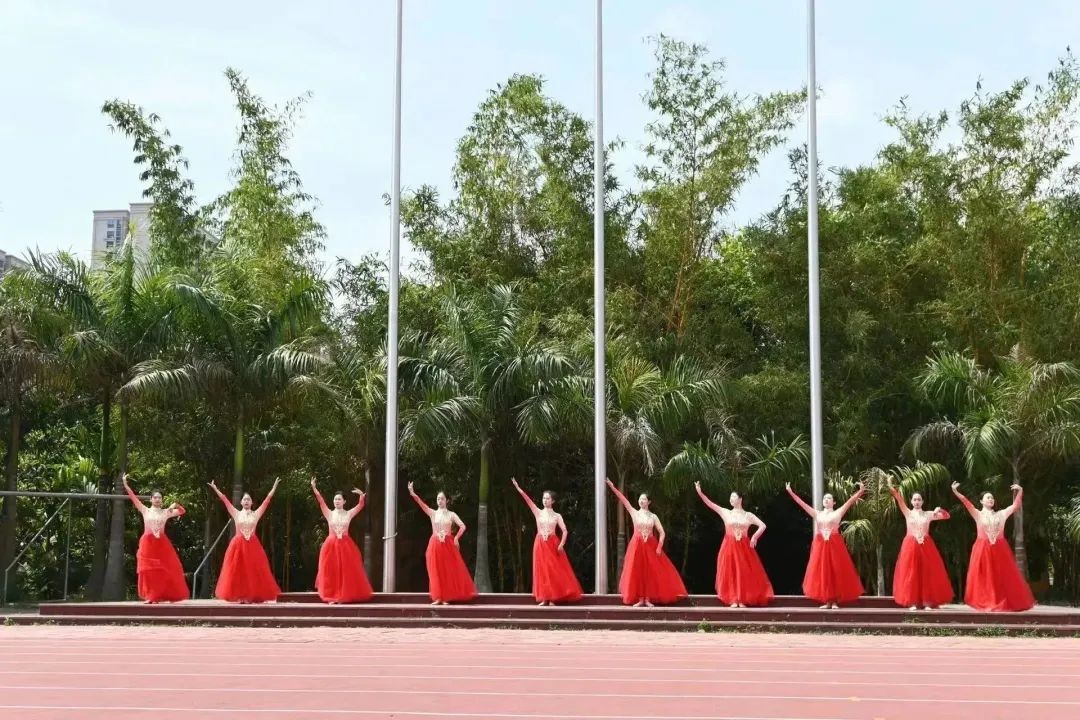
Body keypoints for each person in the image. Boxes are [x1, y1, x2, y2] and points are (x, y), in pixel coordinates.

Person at [951, 482, 1035, 612]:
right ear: (981, 501)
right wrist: (956, 492)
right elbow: (966, 503)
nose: (991, 499)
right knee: (986, 577)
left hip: (1000, 549)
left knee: (1001, 576)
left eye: (992, 497)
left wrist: (1020, 491)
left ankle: (1000, 601)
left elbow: (1015, 506)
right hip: (982, 548)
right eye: (988, 497)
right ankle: (987, 602)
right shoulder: (977, 514)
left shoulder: (1001, 514)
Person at [606, 478, 688, 607]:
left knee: (650, 572)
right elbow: (623, 500)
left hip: (651, 546)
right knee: (637, 571)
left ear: (649, 502)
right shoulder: (634, 512)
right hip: (637, 545)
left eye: (644, 499)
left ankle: (648, 598)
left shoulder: (653, 516)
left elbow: (662, 533)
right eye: (640, 499)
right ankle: (640, 599)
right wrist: (612, 487)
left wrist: (659, 547)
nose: (641, 501)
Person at [785, 482, 866, 609]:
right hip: (821, 545)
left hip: (835, 545)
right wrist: (790, 492)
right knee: (823, 572)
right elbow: (802, 504)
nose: (826, 500)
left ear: (834, 502)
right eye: (824, 498)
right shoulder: (817, 513)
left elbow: (850, 501)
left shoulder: (838, 512)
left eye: (829, 498)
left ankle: (834, 601)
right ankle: (828, 601)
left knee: (835, 571)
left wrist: (860, 491)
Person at [694, 482, 773, 608]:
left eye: (734, 497)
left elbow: (762, 525)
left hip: (744, 547)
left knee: (743, 572)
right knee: (731, 572)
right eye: (730, 497)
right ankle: (733, 599)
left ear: (740, 499)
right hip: (729, 546)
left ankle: (741, 599)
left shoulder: (748, 515)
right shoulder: (726, 512)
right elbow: (710, 504)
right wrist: (699, 492)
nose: (731, 499)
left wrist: (754, 537)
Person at [510, 478, 583, 606]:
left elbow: (565, 531)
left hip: (553, 544)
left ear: (553, 501)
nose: (545, 500)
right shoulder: (538, 512)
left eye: (548, 498)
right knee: (542, 570)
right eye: (544, 498)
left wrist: (561, 544)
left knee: (553, 570)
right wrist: (518, 488)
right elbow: (528, 500)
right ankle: (545, 598)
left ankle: (553, 597)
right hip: (540, 543)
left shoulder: (557, 516)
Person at [209, 478, 282, 603]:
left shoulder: (256, 514)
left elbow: (267, 501)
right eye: (244, 499)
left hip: (253, 546)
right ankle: (239, 595)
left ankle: (251, 595)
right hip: (238, 546)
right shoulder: (236, 513)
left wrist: (274, 487)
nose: (246, 501)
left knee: (252, 571)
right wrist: (215, 488)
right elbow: (225, 500)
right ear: (241, 502)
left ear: (252, 502)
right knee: (238, 571)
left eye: (248, 499)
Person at [887, 479, 953, 610]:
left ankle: (927, 602)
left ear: (922, 502)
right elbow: (898, 498)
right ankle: (912, 602)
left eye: (919, 499)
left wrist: (939, 510)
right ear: (911, 501)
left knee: (927, 573)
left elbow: (947, 516)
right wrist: (889, 485)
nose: (917, 502)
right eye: (915, 500)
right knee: (911, 573)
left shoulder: (929, 514)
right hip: (910, 546)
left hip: (926, 546)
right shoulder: (907, 512)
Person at [122, 474, 189, 603]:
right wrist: (125, 484)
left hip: (162, 544)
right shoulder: (145, 510)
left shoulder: (166, 512)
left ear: (162, 500)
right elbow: (133, 497)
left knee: (162, 570)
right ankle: (150, 596)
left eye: (160, 497)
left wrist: (175, 504)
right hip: (147, 544)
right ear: (151, 499)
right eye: (155, 497)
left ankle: (160, 595)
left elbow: (182, 511)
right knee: (149, 571)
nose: (158, 499)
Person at [408, 482, 477, 605]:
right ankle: (438, 597)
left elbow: (463, 526)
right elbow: (421, 503)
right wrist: (413, 493)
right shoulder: (432, 513)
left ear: (447, 500)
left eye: (442, 498)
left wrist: (456, 538)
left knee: (447, 570)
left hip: (448, 545)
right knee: (435, 570)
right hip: (435, 544)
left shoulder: (451, 514)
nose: (439, 501)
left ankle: (446, 597)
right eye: (438, 499)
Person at [310, 477, 374, 604]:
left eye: (339, 499)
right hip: (331, 546)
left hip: (345, 545)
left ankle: (342, 595)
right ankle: (332, 596)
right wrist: (314, 488)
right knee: (331, 571)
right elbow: (321, 502)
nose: (337, 501)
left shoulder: (348, 513)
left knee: (345, 572)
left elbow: (360, 506)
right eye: (335, 499)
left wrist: (361, 496)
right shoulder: (329, 513)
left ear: (344, 501)